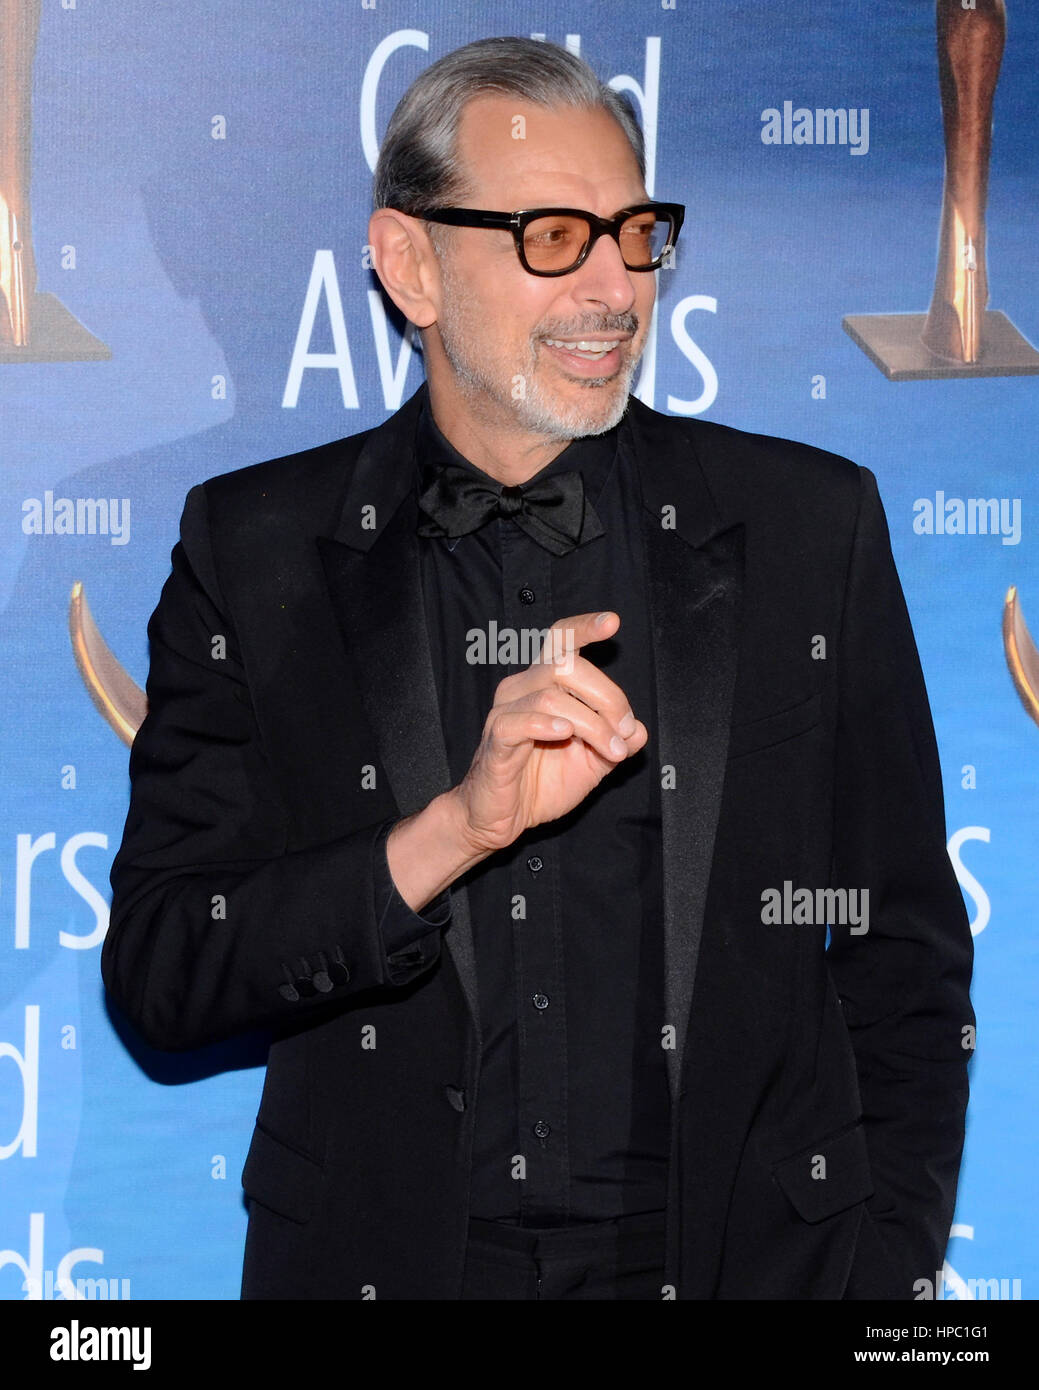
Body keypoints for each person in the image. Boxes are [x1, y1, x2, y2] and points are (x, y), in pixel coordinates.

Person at [102, 36, 974, 1300]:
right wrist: (448, 832)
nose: (614, 288)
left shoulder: (804, 528)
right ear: (410, 263)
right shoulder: (255, 552)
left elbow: (902, 953)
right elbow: (167, 969)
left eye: (636, 233)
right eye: (555, 237)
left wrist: (880, 1274)